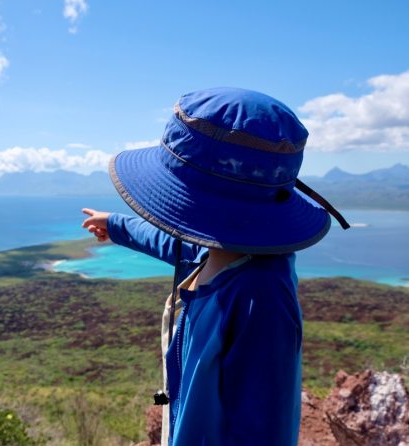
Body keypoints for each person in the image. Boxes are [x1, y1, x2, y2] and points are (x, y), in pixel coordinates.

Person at [81, 88, 349, 446]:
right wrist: (116, 225)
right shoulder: (230, 252)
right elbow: (181, 247)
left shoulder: (261, 296)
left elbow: (263, 427)